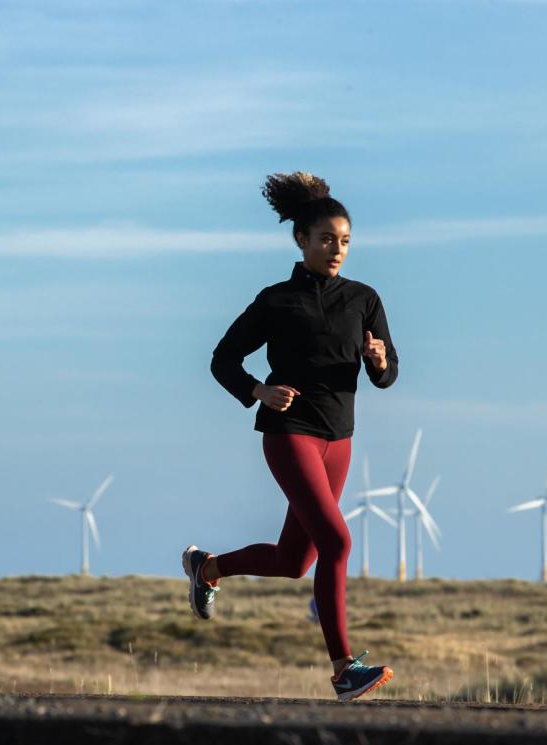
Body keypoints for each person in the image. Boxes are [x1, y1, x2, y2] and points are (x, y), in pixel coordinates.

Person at [183, 171, 398, 702]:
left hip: (339, 439)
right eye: (327, 239)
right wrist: (258, 390)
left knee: (294, 562)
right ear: (301, 241)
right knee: (338, 542)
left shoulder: (365, 299)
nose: (337, 250)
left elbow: (388, 374)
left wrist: (380, 360)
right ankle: (344, 670)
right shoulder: (276, 301)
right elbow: (221, 360)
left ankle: (207, 566)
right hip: (290, 434)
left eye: (345, 241)